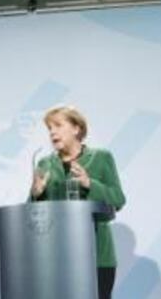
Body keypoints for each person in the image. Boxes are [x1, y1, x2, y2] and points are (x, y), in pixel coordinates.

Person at [30, 106, 126, 299]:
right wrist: (36, 194)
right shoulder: (44, 164)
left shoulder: (101, 158)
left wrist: (90, 184)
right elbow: (33, 214)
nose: (52, 132)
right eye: (49, 128)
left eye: (58, 125)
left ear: (76, 128)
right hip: (57, 257)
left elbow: (118, 199)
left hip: (97, 257)